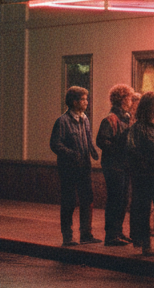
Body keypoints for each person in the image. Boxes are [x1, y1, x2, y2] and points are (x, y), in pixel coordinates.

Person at [49, 86, 101, 246]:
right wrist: (71, 154)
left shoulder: (85, 119)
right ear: (74, 101)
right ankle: (68, 236)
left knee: (87, 199)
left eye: (87, 99)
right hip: (69, 169)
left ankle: (86, 234)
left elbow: (87, 138)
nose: (87, 102)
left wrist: (92, 151)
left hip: (84, 167)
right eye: (84, 99)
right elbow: (55, 144)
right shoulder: (62, 121)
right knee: (69, 201)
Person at [126, 91, 154, 256]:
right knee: (144, 210)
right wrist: (144, 164)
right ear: (148, 107)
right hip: (145, 176)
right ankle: (146, 244)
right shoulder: (138, 128)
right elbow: (132, 151)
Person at [95, 84, 135, 246]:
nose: (131, 101)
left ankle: (118, 231)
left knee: (123, 199)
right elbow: (101, 141)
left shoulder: (126, 117)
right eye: (129, 98)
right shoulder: (111, 119)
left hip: (123, 165)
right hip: (114, 166)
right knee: (115, 199)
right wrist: (119, 148)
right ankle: (111, 235)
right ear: (122, 99)